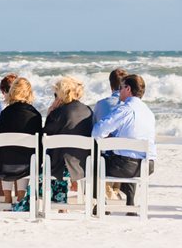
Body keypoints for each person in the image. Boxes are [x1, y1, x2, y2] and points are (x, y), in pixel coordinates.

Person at [91, 72, 156, 205]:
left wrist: (109, 137)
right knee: (126, 153)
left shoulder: (125, 109)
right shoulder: (148, 112)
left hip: (127, 166)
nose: (119, 91)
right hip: (147, 165)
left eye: (121, 88)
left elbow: (97, 131)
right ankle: (130, 202)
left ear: (128, 89)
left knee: (92, 164)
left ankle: (102, 204)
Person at [43, 75, 95, 205]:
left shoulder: (58, 112)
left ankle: (60, 202)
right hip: (82, 164)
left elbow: (45, 135)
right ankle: (64, 201)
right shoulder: (88, 110)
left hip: (61, 165)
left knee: (54, 154)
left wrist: (50, 112)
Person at [0, 76, 43, 206]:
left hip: (5, 164)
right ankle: (21, 196)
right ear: (29, 93)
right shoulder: (35, 115)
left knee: (8, 153)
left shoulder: (5, 112)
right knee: (26, 155)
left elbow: (1, 139)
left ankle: (7, 197)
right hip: (27, 165)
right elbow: (38, 143)